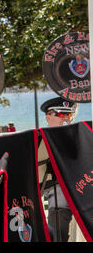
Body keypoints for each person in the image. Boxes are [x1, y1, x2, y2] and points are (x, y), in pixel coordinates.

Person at [40, 97, 77, 242]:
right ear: (48, 117)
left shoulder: (79, 136)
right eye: (61, 115)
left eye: (68, 115)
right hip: (46, 187)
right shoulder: (38, 140)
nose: (65, 119)